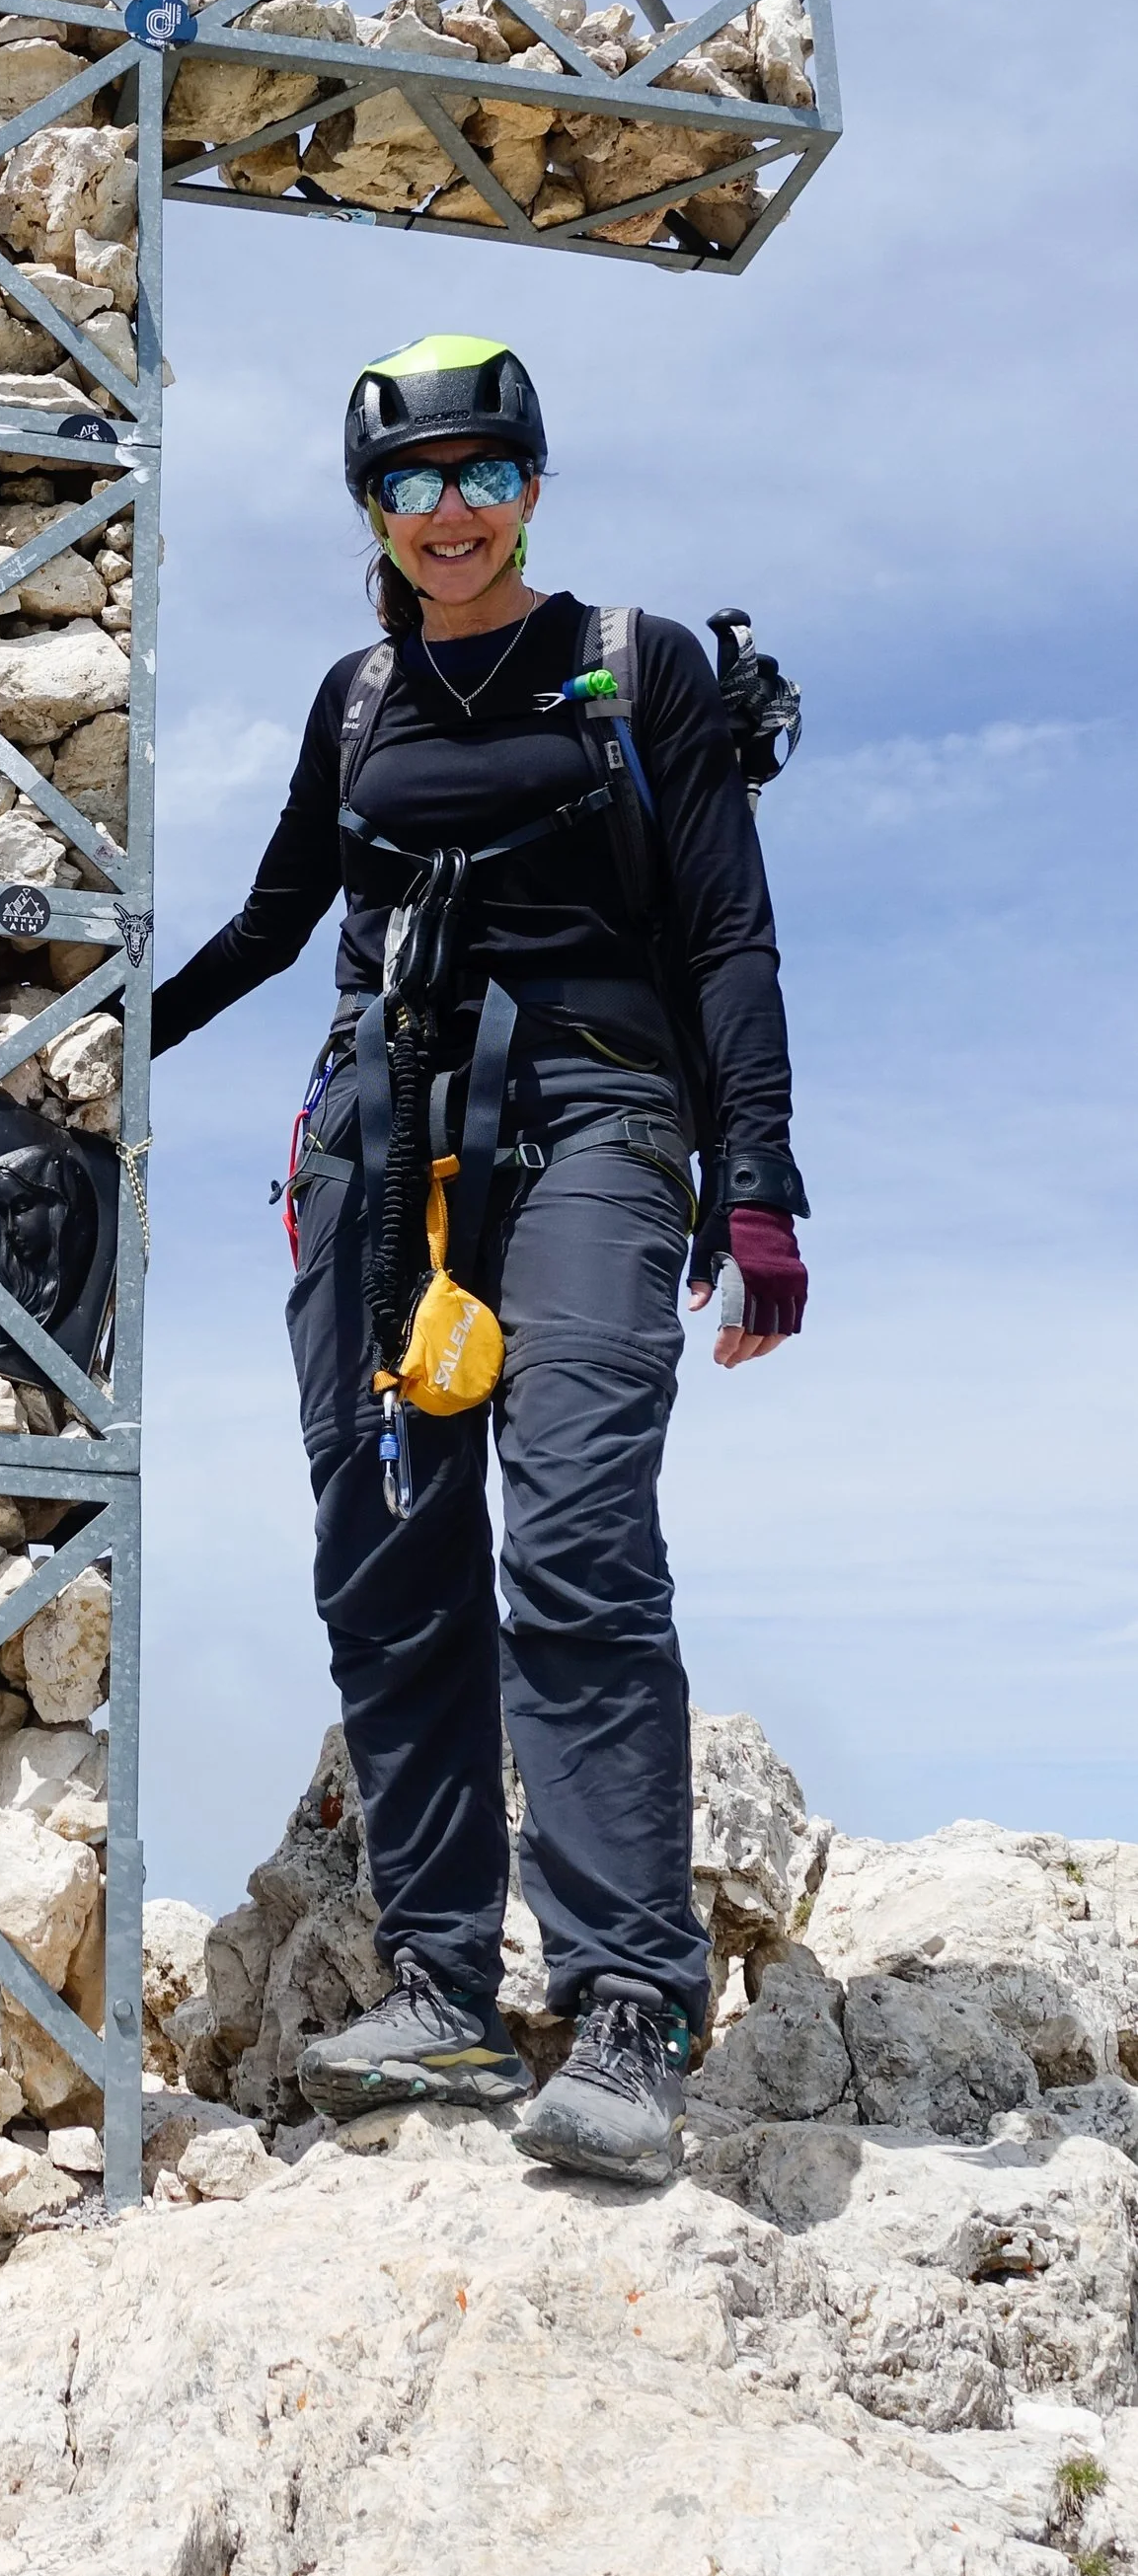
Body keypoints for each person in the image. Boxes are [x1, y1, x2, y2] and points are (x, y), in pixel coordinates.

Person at [150, 337, 808, 2186]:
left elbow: (733, 932)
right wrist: (101, 1033)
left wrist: (757, 1181)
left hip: (599, 1112)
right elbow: (282, 918)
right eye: (411, 482)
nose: (448, 511)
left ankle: (624, 2000)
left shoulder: (635, 662)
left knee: (578, 1528)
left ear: (531, 484)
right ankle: (441, 1981)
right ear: (373, 509)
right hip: (381, 1139)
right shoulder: (357, 697)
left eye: (479, 474)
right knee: (387, 1548)